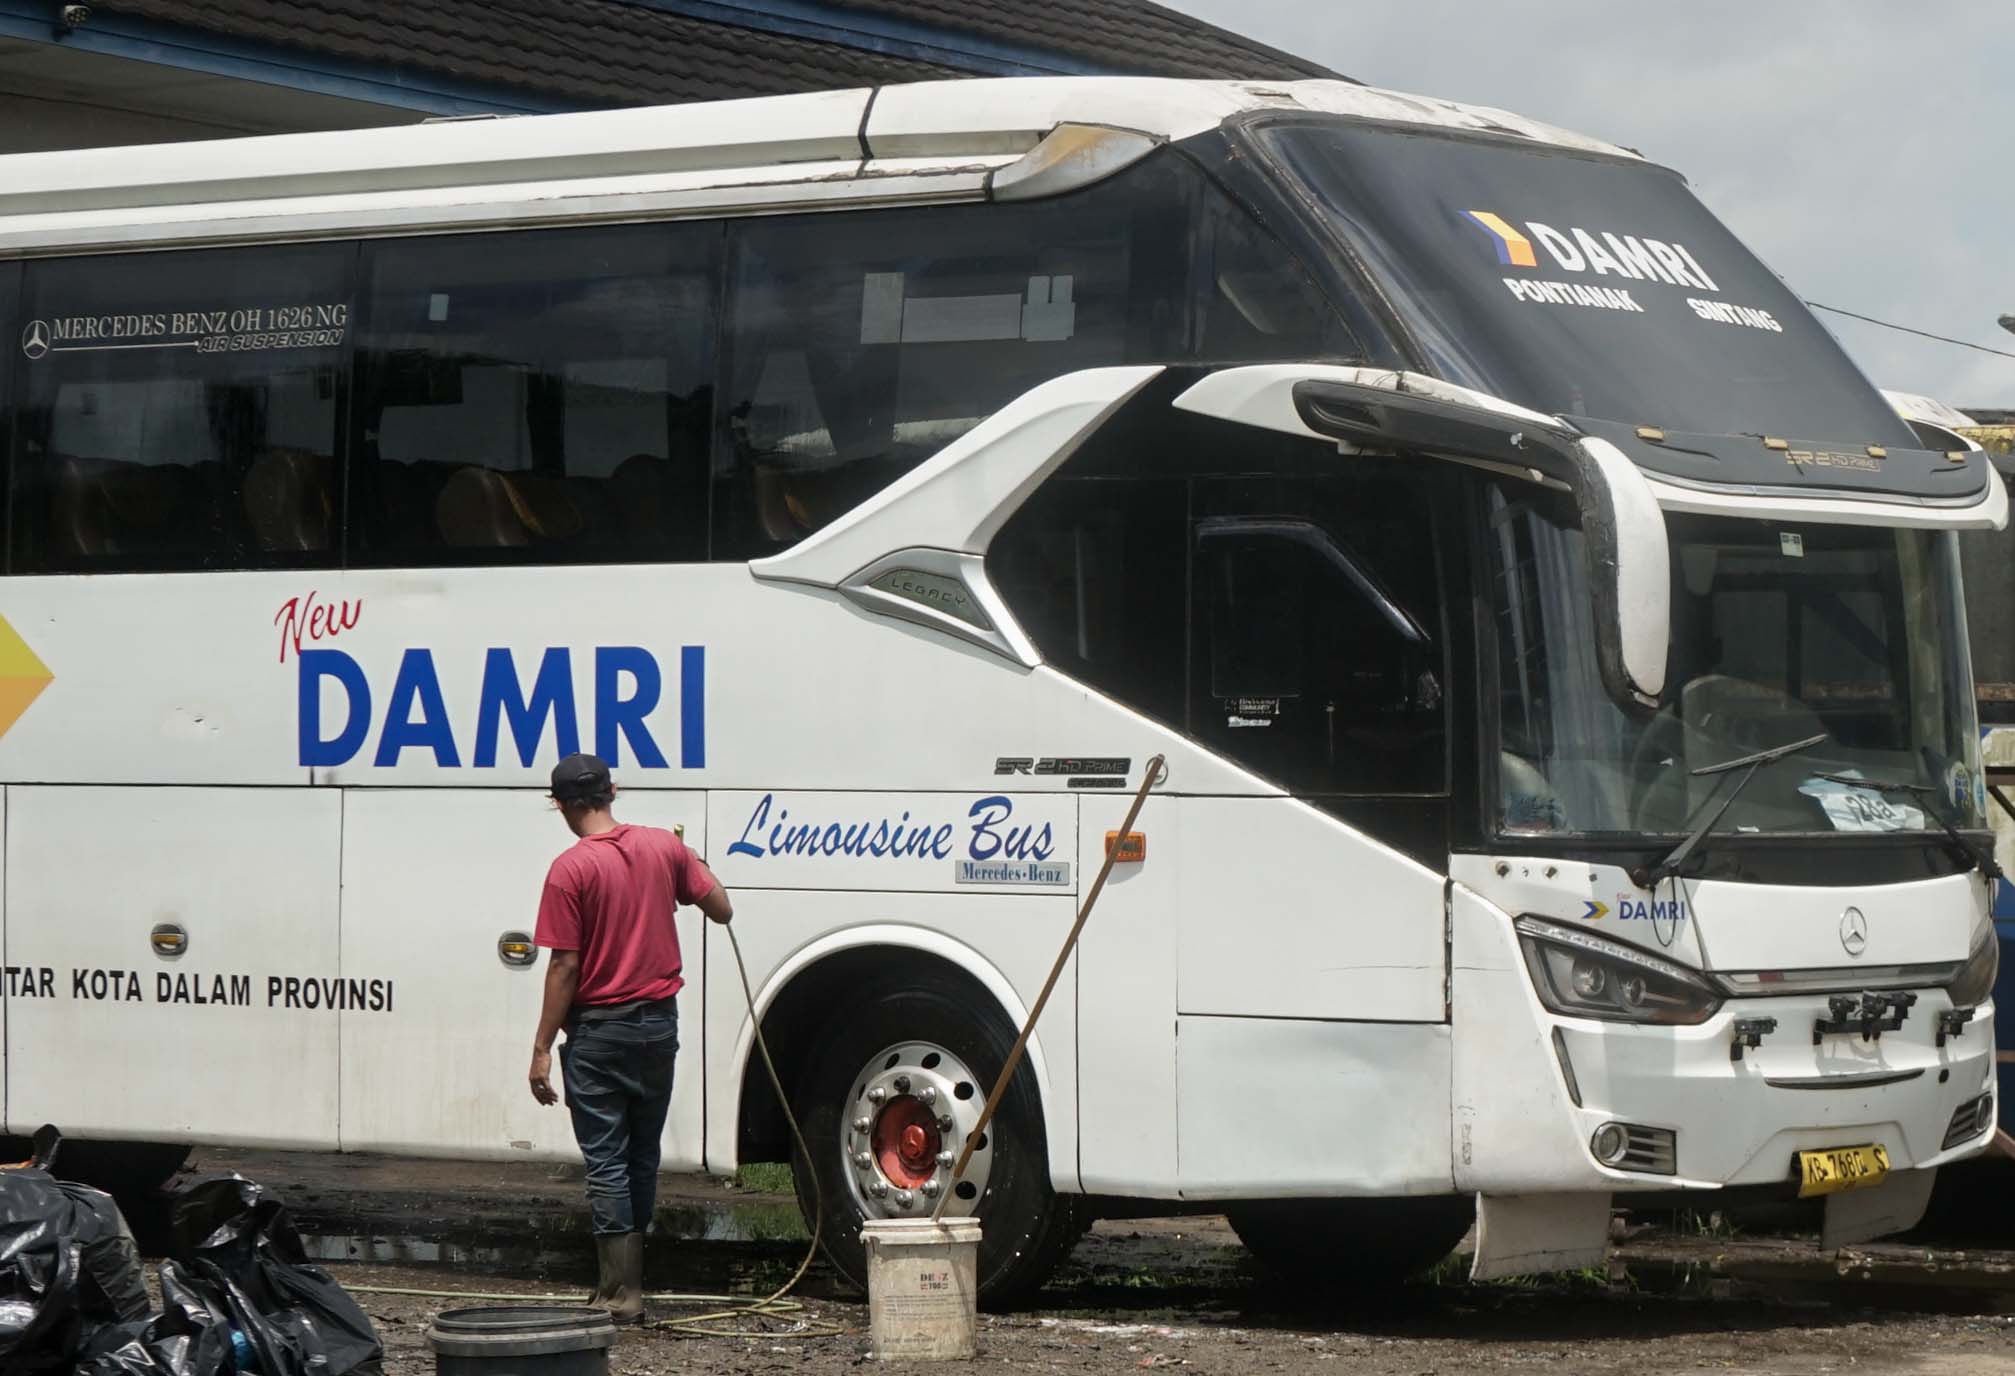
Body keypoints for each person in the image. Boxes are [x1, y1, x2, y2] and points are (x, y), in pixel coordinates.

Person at [528, 752, 733, 1324]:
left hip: (599, 1033)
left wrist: (542, 1047)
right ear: (612, 791)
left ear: (561, 805)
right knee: (642, 1154)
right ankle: (633, 1284)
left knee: (608, 1162)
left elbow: (564, 966)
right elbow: (722, 909)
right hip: (658, 1026)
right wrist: (696, 864)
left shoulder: (570, 869)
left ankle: (620, 1293)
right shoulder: (664, 847)